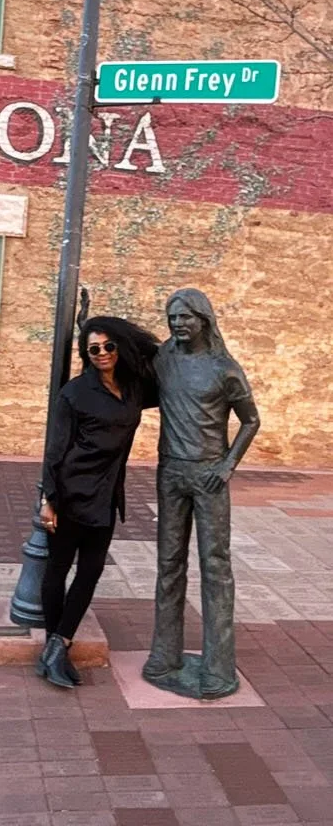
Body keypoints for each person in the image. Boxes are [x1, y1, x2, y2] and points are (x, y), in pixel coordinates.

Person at [142, 288, 260, 700]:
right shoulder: (163, 359)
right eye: (172, 317)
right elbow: (122, 353)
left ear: (204, 320)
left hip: (209, 474)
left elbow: (250, 421)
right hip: (170, 472)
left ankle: (217, 666)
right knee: (168, 565)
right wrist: (87, 327)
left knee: (215, 567)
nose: (177, 324)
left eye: (186, 318)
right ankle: (164, 655)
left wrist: (227, 466)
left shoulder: (225, 368)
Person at [36, 315, 159, 689]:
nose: (102, 353)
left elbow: (160, 366)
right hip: (72, 492)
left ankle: (58, 645)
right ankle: (53, 646)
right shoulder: (74, 393)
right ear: (86, 355)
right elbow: (55, 450)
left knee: (90, 571)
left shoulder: (134, 388)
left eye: (109, 346)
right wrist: (48, 499)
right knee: (57, 570)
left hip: (106, 496)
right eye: (94, 349)